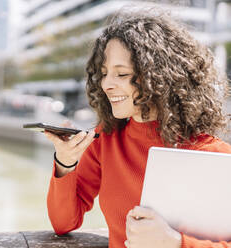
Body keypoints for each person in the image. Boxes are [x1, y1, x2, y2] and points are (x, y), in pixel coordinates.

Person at [44, 9, 231, 248]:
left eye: (121, 74)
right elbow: (63, 223)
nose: (106, 84)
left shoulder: (216, 155)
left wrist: (176, 243)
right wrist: (65, 163)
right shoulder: (106, 139)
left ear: (161, 77)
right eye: (104, 73)